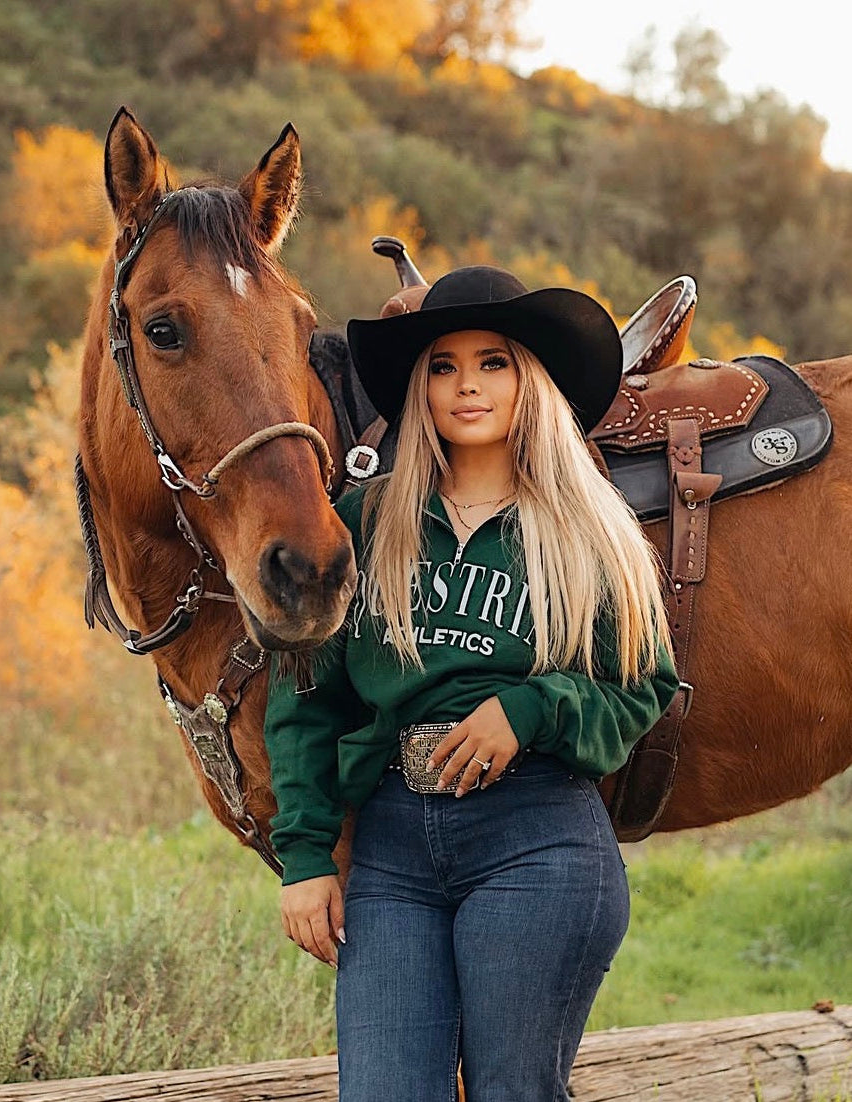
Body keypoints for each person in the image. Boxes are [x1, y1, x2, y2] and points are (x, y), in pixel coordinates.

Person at [263, 265, 680, 1102]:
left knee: (510, 1092)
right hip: (393, 850)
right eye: (443, 366)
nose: (466, 386)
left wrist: (529, 708)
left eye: (493, 362)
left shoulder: (589, 533)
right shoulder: (367, 521)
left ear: (530, 380)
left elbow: (643, 688)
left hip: (537, 841)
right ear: (420, 389)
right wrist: (305, 857)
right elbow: (305, 700)